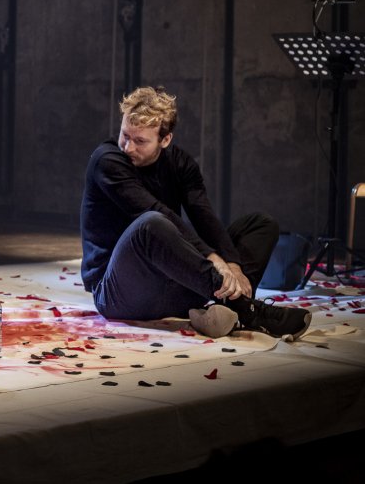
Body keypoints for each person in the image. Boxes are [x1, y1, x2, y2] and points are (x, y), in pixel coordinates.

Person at [79, 86, 311, 339]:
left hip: (177, 288)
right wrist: (213, 258)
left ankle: (229, 307)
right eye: (125, 135)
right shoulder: (108, 161)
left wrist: (232, 264)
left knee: (261, 224)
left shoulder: (180, 163)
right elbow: (156, 211)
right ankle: (247, 310)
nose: (128, 147)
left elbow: (204, 217)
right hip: (120, 294)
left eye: (140, 141)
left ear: (165, 140)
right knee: (152, 223)